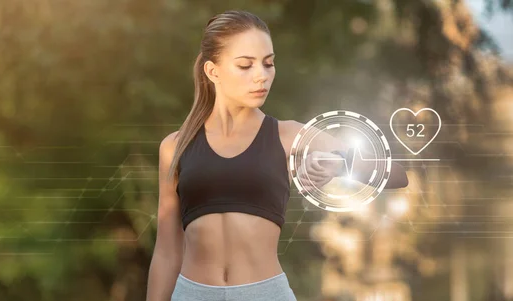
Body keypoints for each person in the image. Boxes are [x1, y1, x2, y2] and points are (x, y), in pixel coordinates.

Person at [146, 10, 409, 301]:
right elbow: (167, 252)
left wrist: (339, 164)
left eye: (268, 64)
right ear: (213, 71)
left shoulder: (289, 137)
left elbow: (397, 174)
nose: (262, 76)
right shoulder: (175, 147)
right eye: (245, 65)